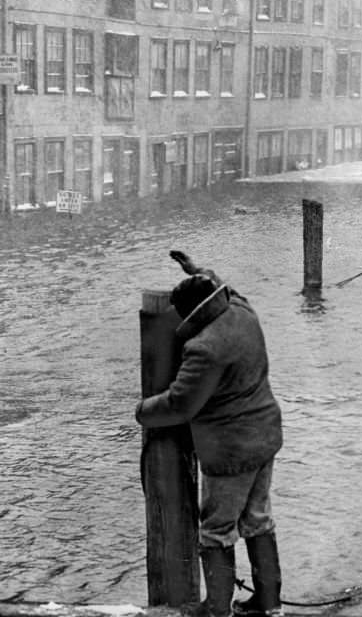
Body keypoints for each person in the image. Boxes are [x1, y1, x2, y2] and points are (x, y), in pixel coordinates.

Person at [135, 250, 284, 617]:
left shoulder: (204, 348)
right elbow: (226, 290)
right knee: (258, 520)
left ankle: (217, 608)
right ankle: (270, 602)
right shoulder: (243, 312)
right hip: (265, 436)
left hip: (230, 451)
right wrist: (199, 272)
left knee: (215, 531)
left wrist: (142, 411)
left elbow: (180, 404)